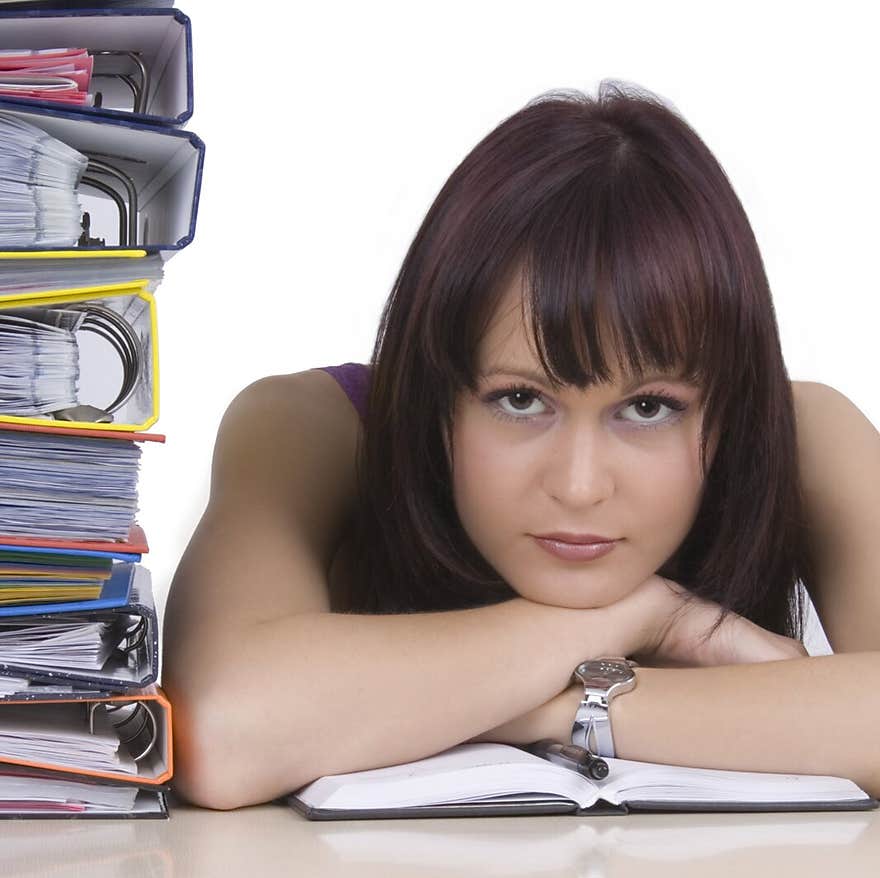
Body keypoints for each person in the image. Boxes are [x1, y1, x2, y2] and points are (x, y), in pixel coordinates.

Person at [162, 81, 880, 810]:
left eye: (648, 407)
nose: (578, 485)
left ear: (724, 408)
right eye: (520, 400)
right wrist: (641, 615)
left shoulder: (803, 433)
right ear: (437, 391)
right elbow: (220, 729)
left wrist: (555, 705)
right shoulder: (315, 426)